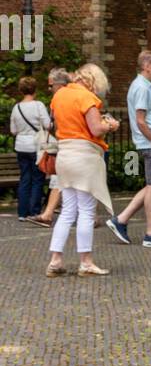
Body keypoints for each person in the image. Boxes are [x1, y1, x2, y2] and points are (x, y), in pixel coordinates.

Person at [46, 63, 118, 277]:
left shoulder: (59, 96)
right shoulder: (87, 98)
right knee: (86, 210)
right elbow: (96, 129)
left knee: (68, 210)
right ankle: (86, 262)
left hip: (65, 154)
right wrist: (111, 125)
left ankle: (55, 260)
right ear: (93, 82)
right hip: (84, 156)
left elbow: (58, 125)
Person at [107, 50, 151, 248]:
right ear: (147, 66)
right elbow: (140, 121)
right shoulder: (142, 88)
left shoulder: (142, 86)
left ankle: (120, 220)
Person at [27, 69, 71, 226]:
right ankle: (50, 213)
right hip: (68, 145)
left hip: (70, 146)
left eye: (51, 85)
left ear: (59, 85)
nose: (49, 89)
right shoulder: (60, 100)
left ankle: (48, 214)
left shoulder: (61, 100)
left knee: (61, 180)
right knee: (61, 180)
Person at [10, 75, 50, 220]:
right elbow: (47, 125)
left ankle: (22, 212)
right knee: (38, 179)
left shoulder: (16, 108)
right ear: (35, 90)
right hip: (36, 146)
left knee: (25, 178)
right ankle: (34, 211)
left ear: (21, 90)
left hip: (21, 146)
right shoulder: (38, 105)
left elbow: (13, 130)